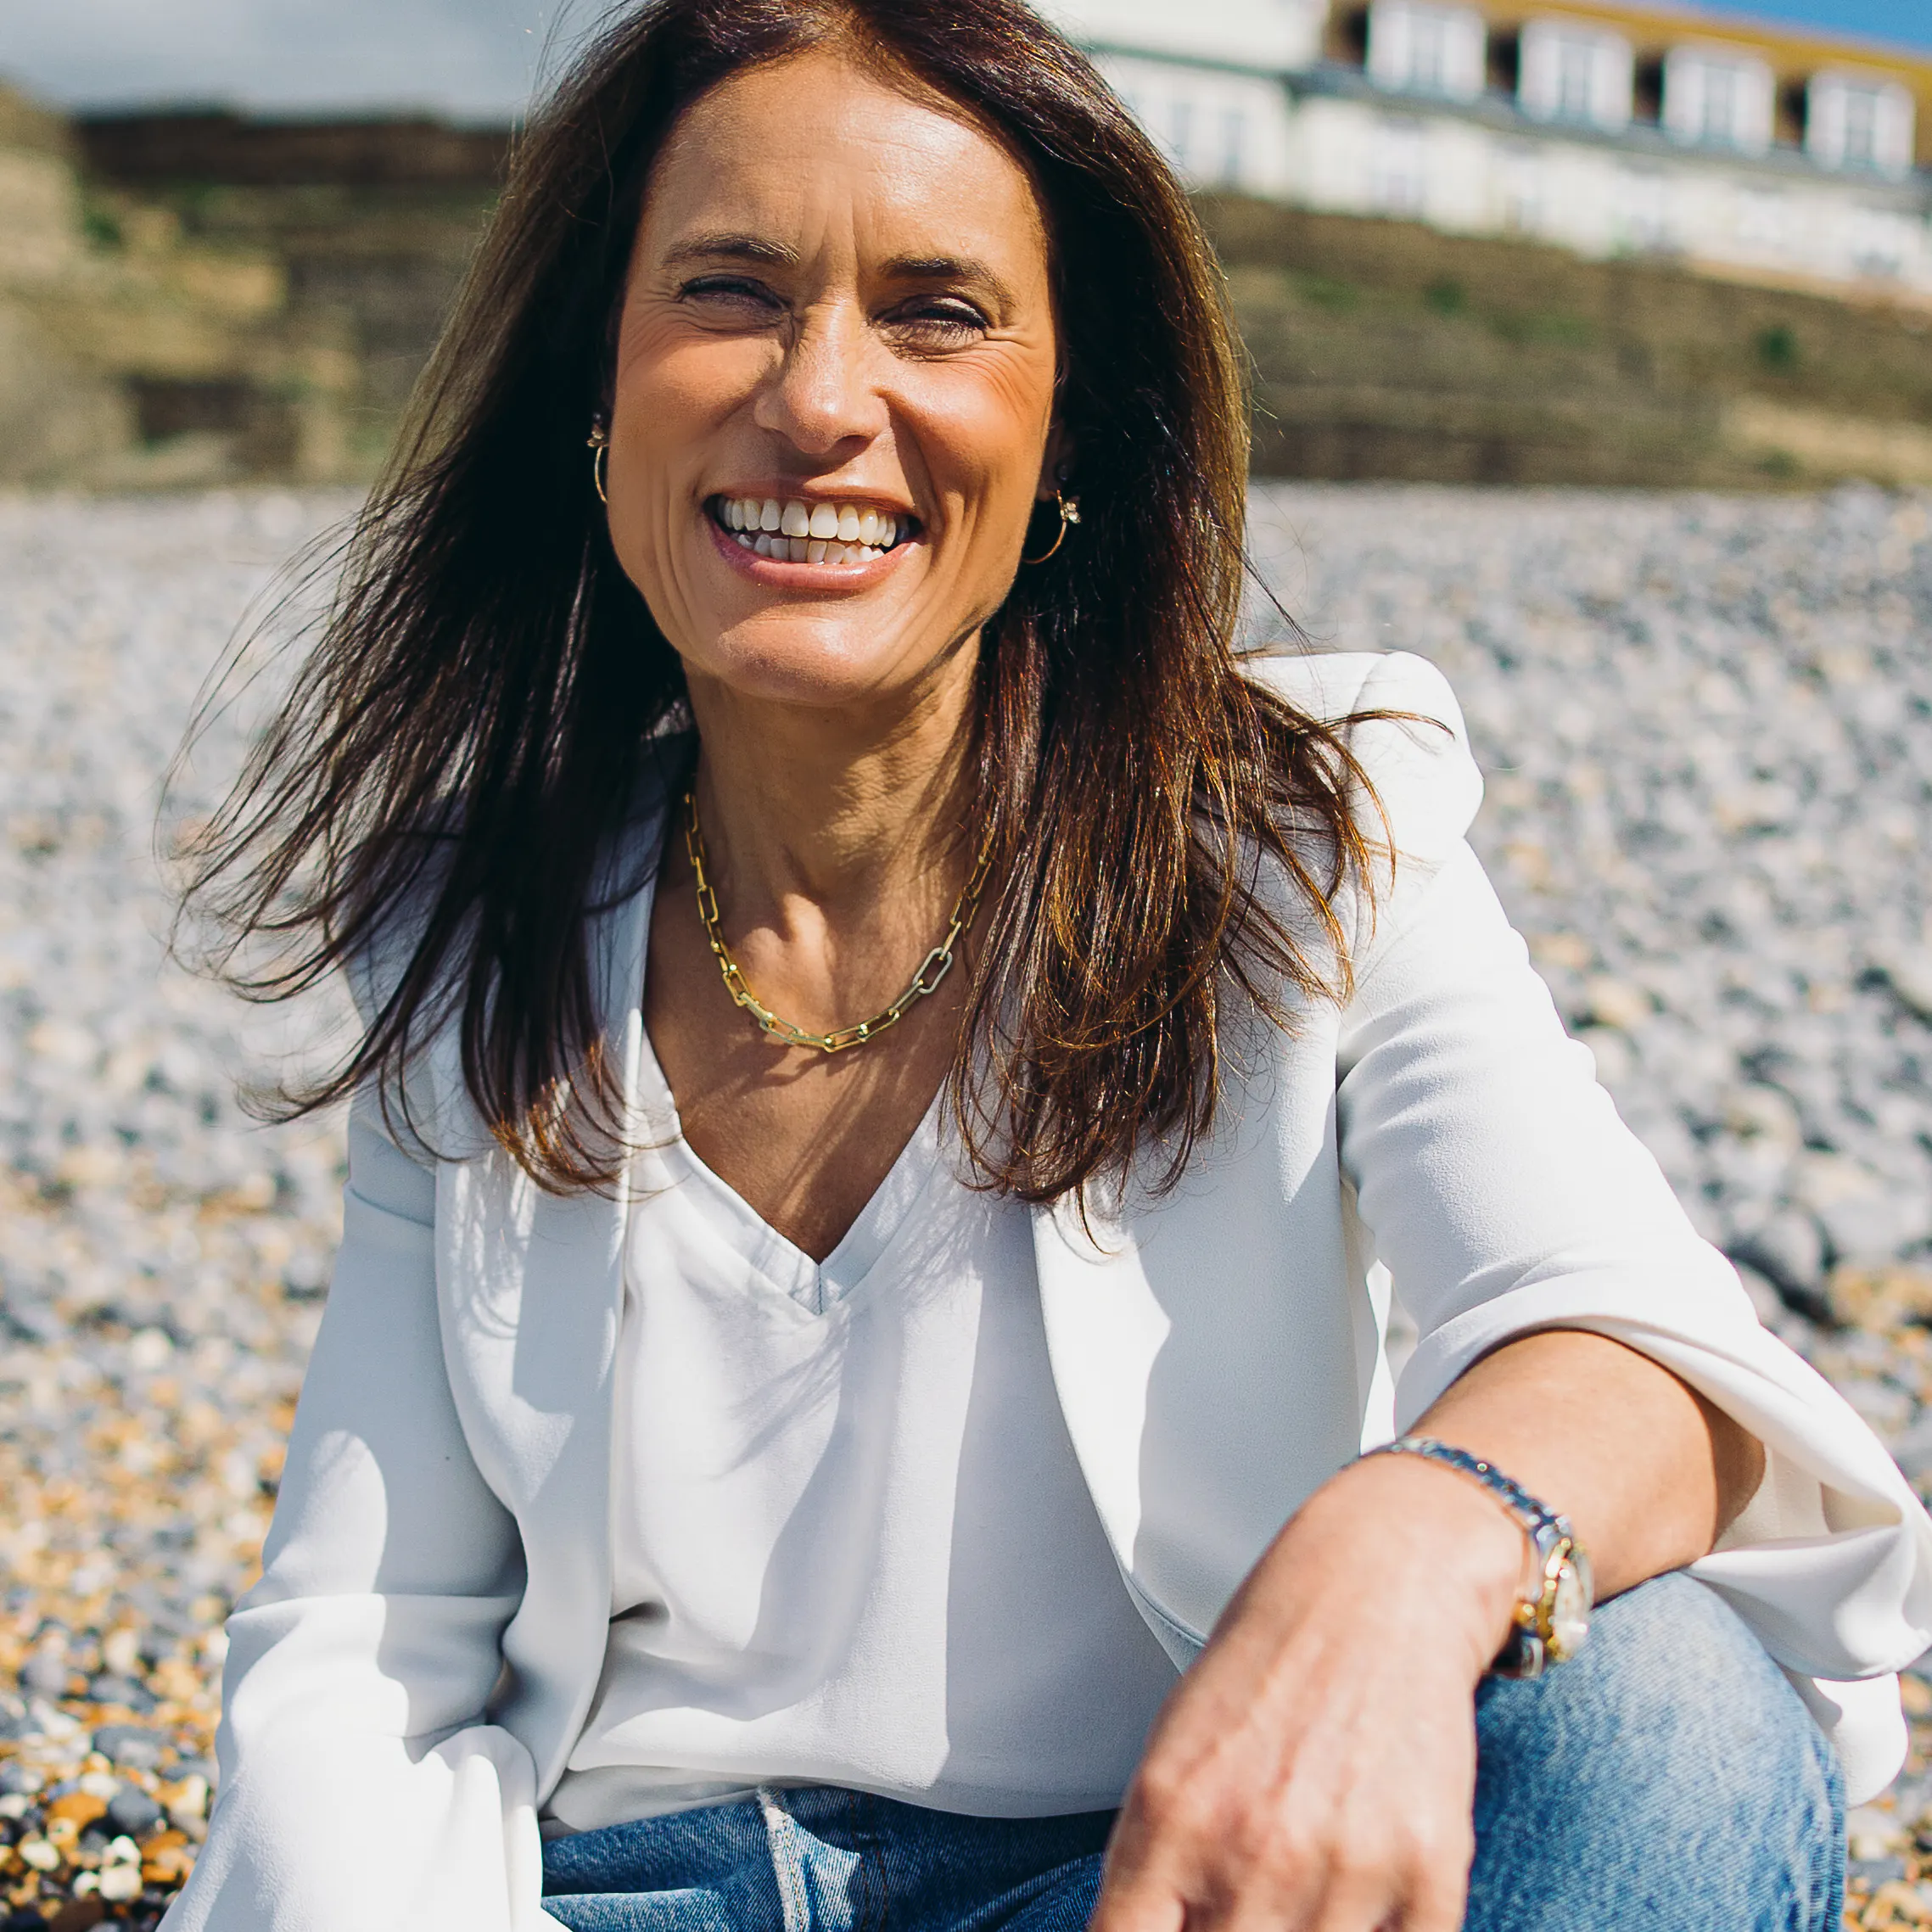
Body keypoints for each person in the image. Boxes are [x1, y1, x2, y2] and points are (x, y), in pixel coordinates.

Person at [164, 1, 1932, 1927]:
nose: (821, 397)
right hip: (626, 1890)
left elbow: (1640, 1355)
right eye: (730, 290)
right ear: (603, 383)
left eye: (937, 313)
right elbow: (365, 1636)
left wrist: (1415, 1540)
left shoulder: (1299, 851)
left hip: (1154, 1876)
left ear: (1064, 425)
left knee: (1661, 1726)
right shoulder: (476, 918)